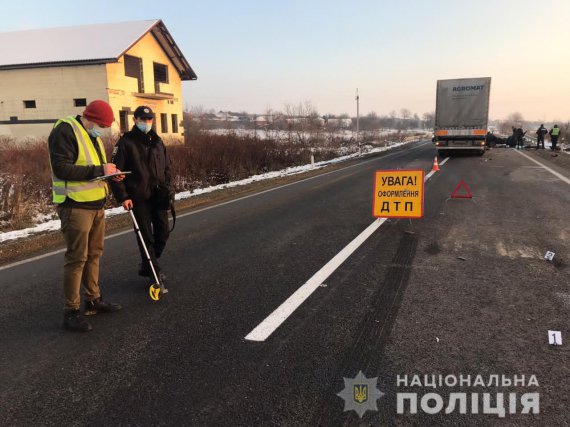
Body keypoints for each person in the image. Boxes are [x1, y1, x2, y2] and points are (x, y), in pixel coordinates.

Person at [48, 100, 124, 332]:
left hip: (95, 204)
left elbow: (94, 168)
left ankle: (93, 299)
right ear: (88, 117)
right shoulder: (65, 131)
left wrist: (110, 174)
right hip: (75, 205)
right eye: (100, 125)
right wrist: (100, 170)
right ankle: (71, 311)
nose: (102, 129)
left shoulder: (92, 136)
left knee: (94, 254)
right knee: (76, 258)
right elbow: (62, 168)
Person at [110, 106, 173, 280]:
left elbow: (167, 168)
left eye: (149, 120)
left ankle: (148, 263)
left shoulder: (158, 141)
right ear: (135, 120)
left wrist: (168, 188)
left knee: (163, 233)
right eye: (143, 120)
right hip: (138, 198)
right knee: (146, 238)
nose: (146, 123)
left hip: (159, 196)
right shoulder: (125, 142)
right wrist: (123, 196)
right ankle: (154, 272)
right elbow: (115, 174)